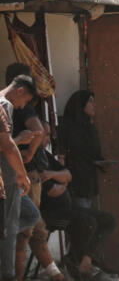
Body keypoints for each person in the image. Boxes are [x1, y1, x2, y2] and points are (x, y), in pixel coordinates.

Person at [35, 122, 113, 280]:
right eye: (46, 134)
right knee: (86, 222)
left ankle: (86, 259)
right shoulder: (35, 158)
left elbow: (68, 174)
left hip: (66, 208)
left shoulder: (45, 155)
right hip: (50, 213)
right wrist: (62, 180)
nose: (48, 138)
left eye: (49, 135)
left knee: (108, 220)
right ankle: (76, 263)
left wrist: (52, 176)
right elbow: (53, 191)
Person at [0, 77, 33, 281]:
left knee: (29, 216)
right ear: (20, 91)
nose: (23, 106)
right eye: (26, 101)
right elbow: (7, 146)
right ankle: (8, 273)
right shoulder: (5, 105)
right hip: (7, 177)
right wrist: (22, 175)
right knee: (10, 227)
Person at [59, 90, 105, 209]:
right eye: (90, 101)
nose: (94, 105)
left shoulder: (90, 129)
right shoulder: (66, 126)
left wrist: (103, 163)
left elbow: (95, 154)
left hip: (88, 184)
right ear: (80, 104)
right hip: (73, 182)